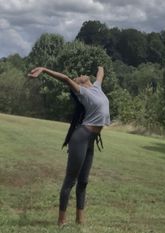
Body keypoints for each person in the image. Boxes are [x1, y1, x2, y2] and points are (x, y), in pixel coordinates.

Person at [28, 66, 110, 226]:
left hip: (91, 139)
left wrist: (100, 67)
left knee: (84, 181)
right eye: (78, 76)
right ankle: (61, 221)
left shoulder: (96, 88)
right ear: (78, 83)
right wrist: (44, 70)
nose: (80, 74)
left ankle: (80, 219)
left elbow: (100, 74)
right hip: (81, 137)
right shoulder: (83, 93)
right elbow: (65, 79)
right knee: (70, 180)